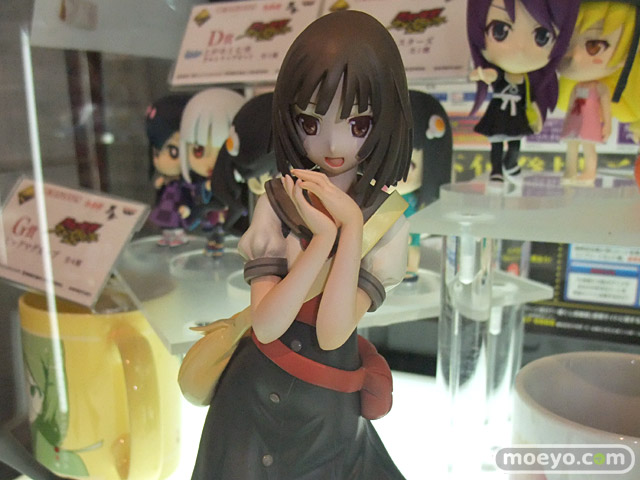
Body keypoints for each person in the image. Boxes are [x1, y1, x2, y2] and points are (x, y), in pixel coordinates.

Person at [190, 10, 412, 479]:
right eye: (311, 123)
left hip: (326, 410)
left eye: (358, 124)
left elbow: (333, 333)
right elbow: (267, 324)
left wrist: (351, 228)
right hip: (251, 394)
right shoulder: (275, 201)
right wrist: (323, 240)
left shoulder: (386, 221)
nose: (332, 144)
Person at [467, 0, 580, 182]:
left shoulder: (529, 80)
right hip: (498, 114)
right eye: (500, 31)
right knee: (497, 144)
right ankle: (496, 170)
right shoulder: (500, 74)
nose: (520, 47)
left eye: (542, 36)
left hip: (516, 116)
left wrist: (538, 114)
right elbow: (490, 75)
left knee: (514, 144)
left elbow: (532, 99)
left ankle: (510, 164)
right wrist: (481, 74)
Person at [557, 0, 640, 184]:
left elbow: (606, 109)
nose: (575, 55)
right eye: (565, 43)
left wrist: (607, 126)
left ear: (627, 53)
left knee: (588, 146)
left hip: (590, 121)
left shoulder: (601, 88)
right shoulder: (576, 87)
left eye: (594, 46)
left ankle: (589, 172)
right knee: (572, 146)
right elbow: (570, 105)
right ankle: (570, 171)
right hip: (575, 119)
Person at [178, 88, 245, 255]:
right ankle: (214, 246)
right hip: (210, 218)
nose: (211, 162)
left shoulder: (238, 184)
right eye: (198, 151)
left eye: (222, 151)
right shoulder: (197, 185)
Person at [145, 94, 193, 246]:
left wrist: (187, 206)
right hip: (166, 206)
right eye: (156, 153)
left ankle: (179, 236)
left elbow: (189, 195)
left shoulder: (185, 183)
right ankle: (167, 236)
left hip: (177, 205)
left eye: (173, 152)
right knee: (166, 220)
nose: (160, 161)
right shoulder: (166, 180)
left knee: (176, 221)